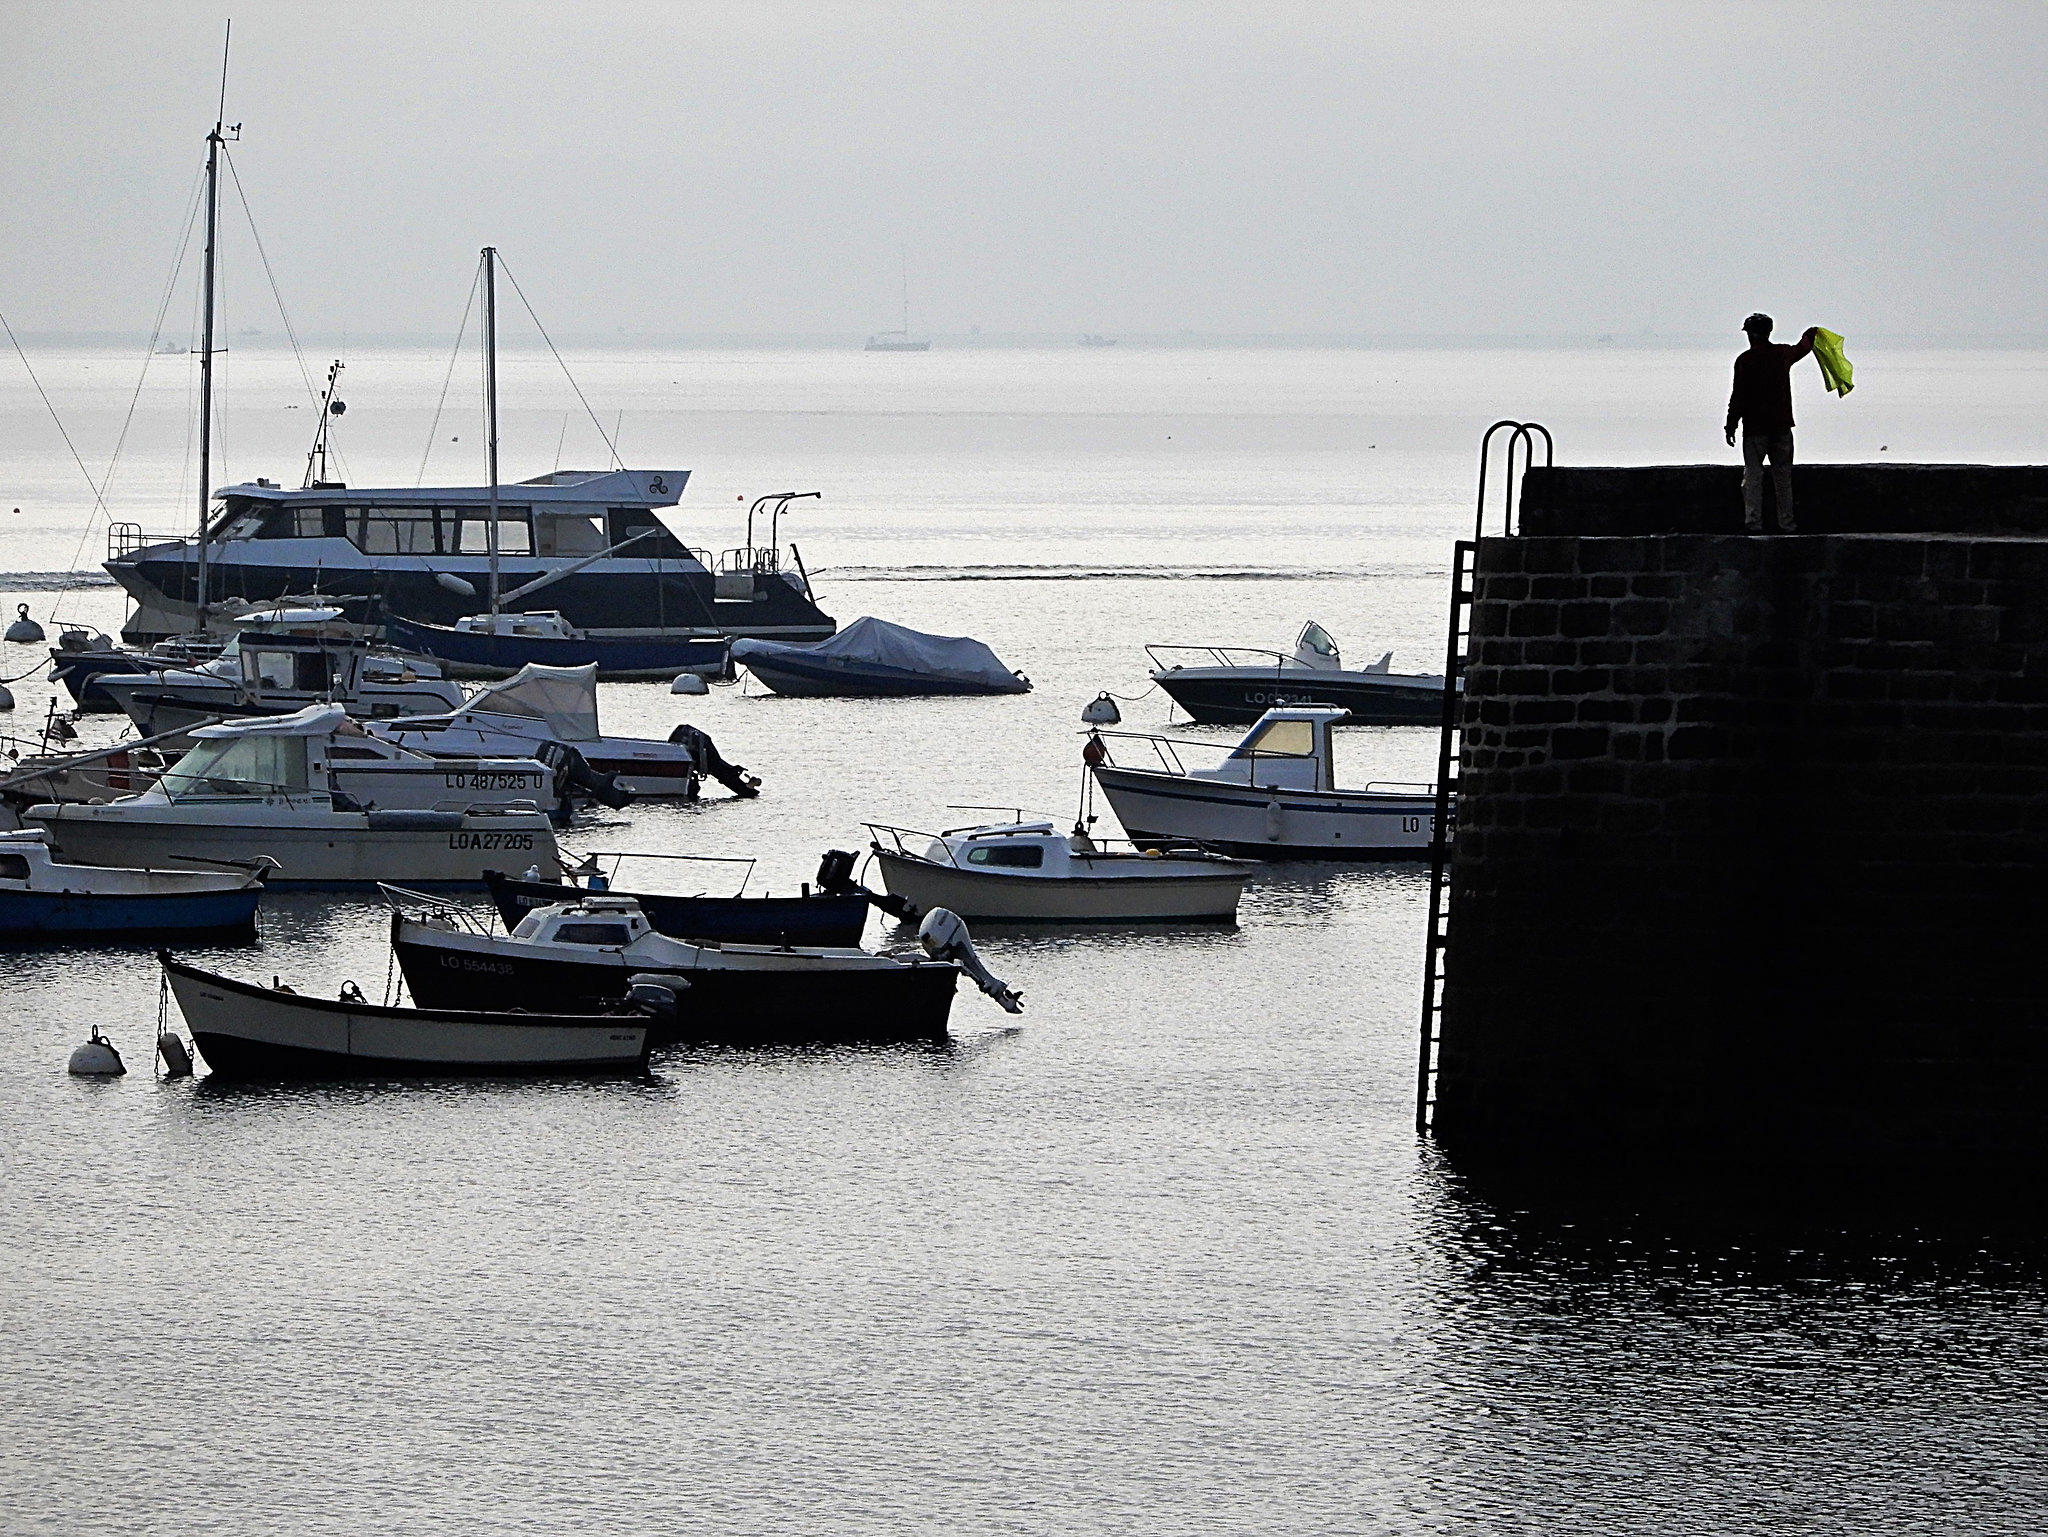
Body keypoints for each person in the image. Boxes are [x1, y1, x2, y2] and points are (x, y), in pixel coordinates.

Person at [1724, 313, 1817, 532]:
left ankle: (1753, 523)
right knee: (1783, 478)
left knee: (1753, 477)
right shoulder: (1781, 354)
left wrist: (1731, 424)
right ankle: (1787, 524)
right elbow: (1802, 348)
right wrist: (1811, 333)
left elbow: (1738, 396)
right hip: (1781, 426)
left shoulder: (1745, 361)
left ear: (1752, 334)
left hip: (1755, 429)